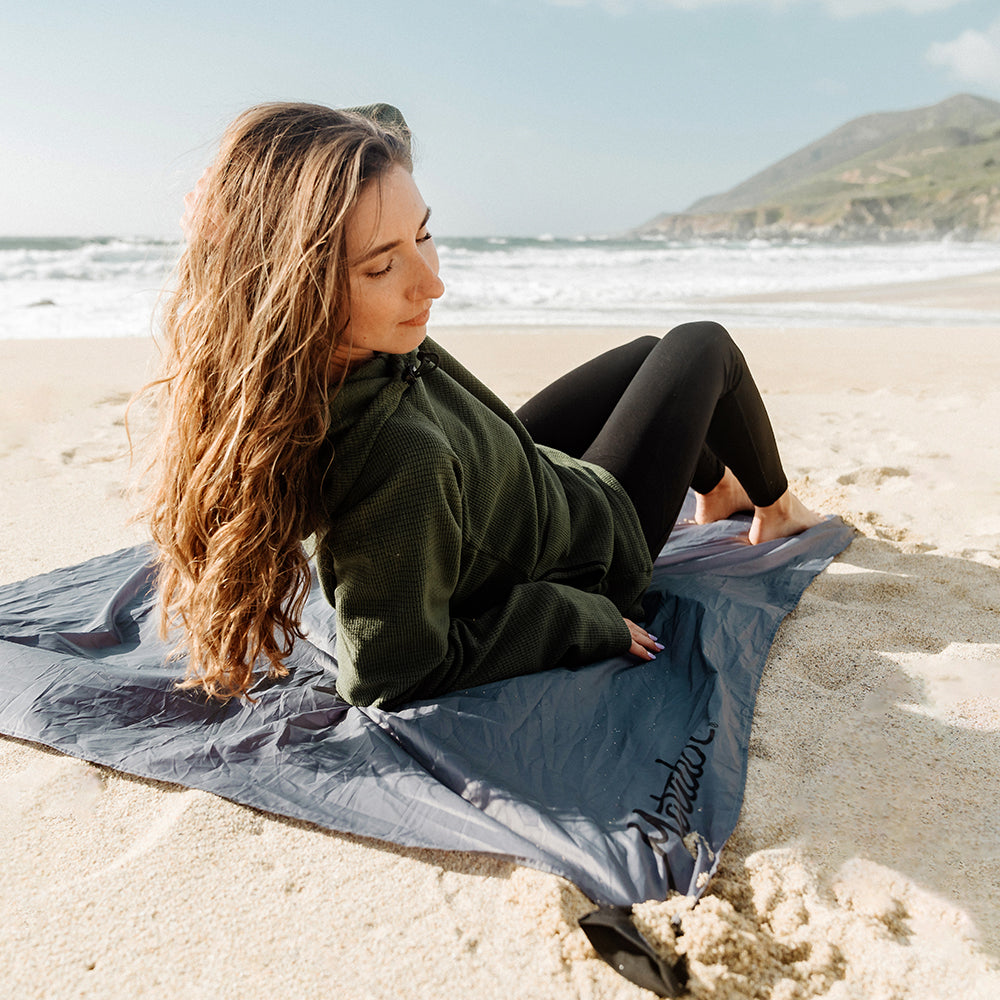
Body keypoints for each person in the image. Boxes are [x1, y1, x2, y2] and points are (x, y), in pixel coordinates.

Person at [145, 101, 820, 709]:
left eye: (424, 235)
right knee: (702, 345)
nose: (431, 283)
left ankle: (719, 492)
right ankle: (777, 510)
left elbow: (384, 121)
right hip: (595, 552)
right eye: (383, 266)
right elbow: (388, 674)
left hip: (510, 486)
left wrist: (221, 227)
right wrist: (579, 619)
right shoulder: (403, 459)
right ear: (295, 285)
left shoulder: (309, 357)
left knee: (651, 352)